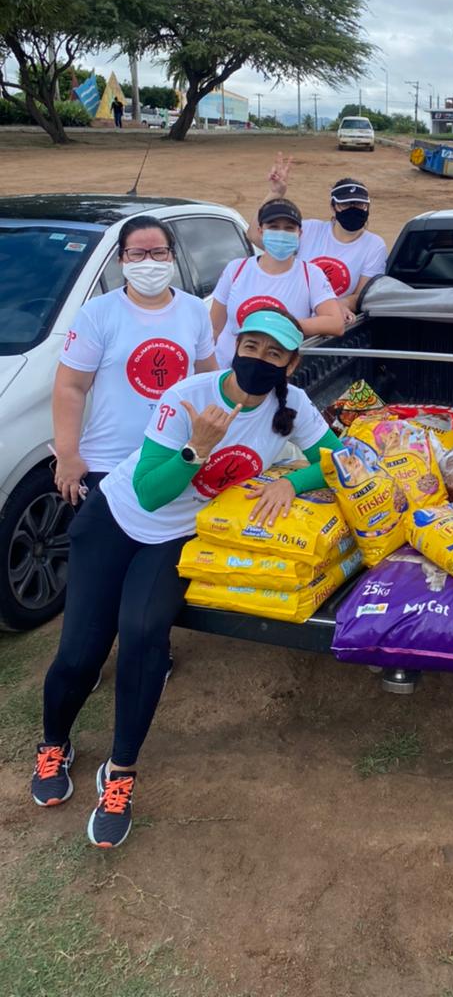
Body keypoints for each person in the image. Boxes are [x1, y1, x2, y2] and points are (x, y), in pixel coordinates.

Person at [31, 309, 341, 847]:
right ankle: (54, 743)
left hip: (176, 538)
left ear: (292, 363)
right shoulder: (188, 396)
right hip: (115, 520)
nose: (259, 359)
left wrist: (292, 482)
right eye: (251, 346)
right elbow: (151, 492)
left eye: (275, 353)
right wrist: (196, 448)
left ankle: (120, 770)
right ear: (235, 347)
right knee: (80, 654)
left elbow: (335, 457)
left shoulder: (290, 405)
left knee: (144, 636)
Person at [53, 216, 217, 506]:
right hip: (108, 463)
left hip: (174, 461)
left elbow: (209, 378)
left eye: (159, 252)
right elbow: (70, 387)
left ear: (172, 256)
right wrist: (68, 456)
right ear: (121, 260)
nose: (149, 262)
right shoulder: (97, 313)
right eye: (137, 253)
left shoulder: (194, 309)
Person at [210, 197, 344, 365]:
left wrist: (284, 325)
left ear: (300, 233)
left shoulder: (311, 275)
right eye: (273, 227)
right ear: (260, 231)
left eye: (289, 228)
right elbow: (214, 328)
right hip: (227, 368)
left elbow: (335, 323)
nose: (281, 234)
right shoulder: (236, 269)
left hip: (276, 372)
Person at [261, 154, 388, 320]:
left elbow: (361, 295)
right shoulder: (309, 230)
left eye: (359, 204)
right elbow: (255, 235)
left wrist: (338, 306)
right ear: (333, 207)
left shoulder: (374, 245)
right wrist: (275, 193)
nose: (353, 209)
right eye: (345, 204)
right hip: (290, 313)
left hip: (326, 323)